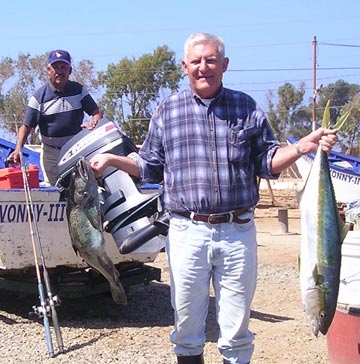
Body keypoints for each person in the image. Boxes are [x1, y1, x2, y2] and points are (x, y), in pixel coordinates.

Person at [89, 33, 338, 364]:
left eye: (210, 60)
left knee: (236, 332)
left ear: (224, 65)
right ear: (184, 66)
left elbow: (266, 161)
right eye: (196, 61)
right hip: (186, 232)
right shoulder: (168, 110)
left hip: (238, 232)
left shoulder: (246, 107)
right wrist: (110, 160)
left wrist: (302, 147)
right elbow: (148, 165)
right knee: (187, 328)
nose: (203, 68)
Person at [9, 49, 103, 186]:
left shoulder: (79, 91)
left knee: (79, 189)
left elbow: (96, 112)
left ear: (70, 70)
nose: (59, 71)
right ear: (48, 70)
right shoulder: (39, 97)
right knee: (55, 191)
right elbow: (26, 126)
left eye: (63, 67)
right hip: (51, 154)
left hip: (76, 150)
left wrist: (94, 122)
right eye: (55, 67)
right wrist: (18, 149)